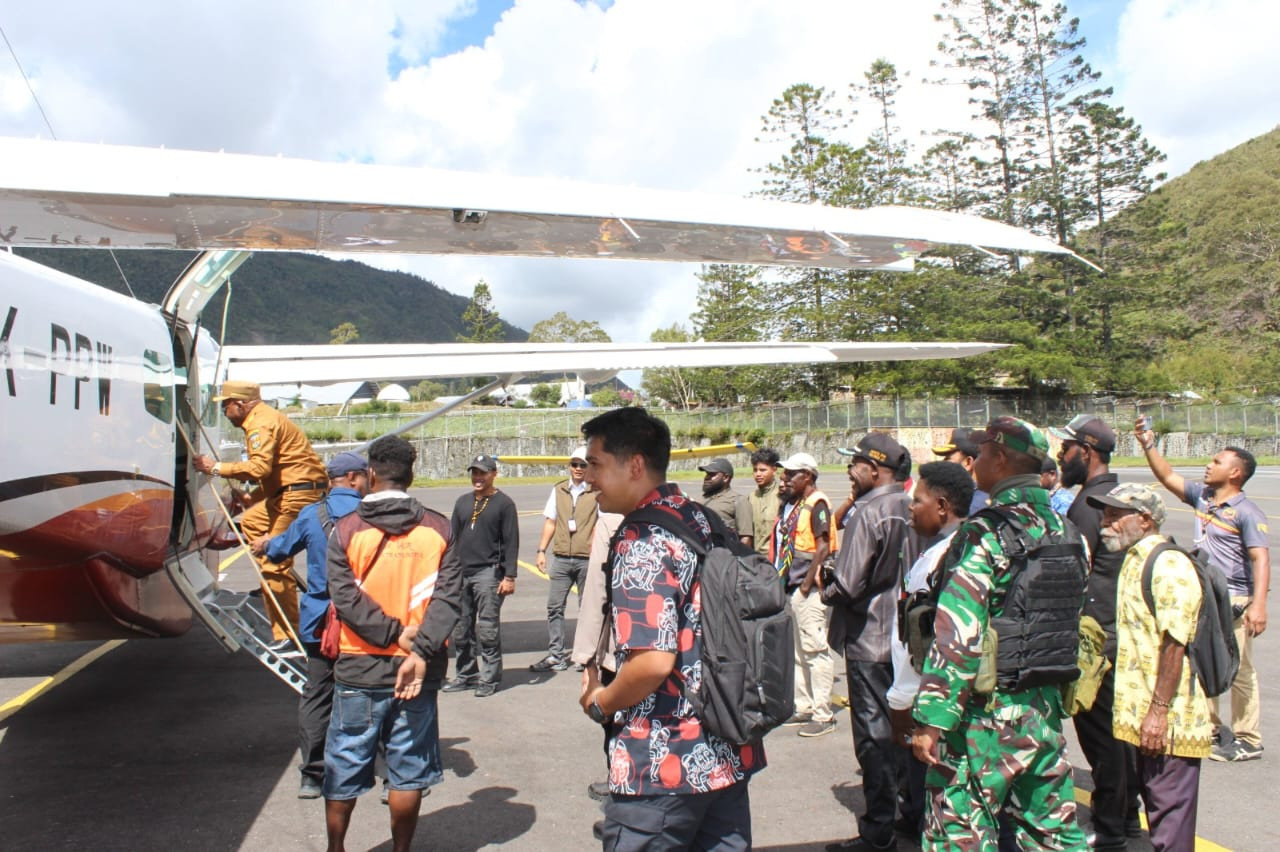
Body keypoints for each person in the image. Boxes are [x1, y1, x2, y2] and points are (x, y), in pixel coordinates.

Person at [578, 407, 763, 850]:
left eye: (596, 464)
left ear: (635, 466)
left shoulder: (642, 540)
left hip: (663, 762)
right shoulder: (699, 518)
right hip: (726, 749)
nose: (587, 477)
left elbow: (652, 664)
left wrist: (600, 703)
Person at [911, 417, 1088, 851]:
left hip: (982, 719)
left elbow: (958, 636)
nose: (977, 462)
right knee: (1053, 836)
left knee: (960, 835)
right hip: (1043, 713)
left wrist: (933, 719)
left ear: (1002, 458)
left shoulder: (983, 533)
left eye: (984, 452)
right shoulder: (1069, 533)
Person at [322, 436, 457, 852]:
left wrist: (390, 634)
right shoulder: (438, 529)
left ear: (372, 475)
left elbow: (345, 600)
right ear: (411, 474)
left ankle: (336, 847)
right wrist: (416, 648)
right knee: (408, 767)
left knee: (345, 761)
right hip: (419, 668)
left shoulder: (345, 530)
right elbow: (449, 599)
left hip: (360, 664)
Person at [1135, 419, 1271, 762]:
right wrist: (1148, 444)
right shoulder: (1205, 499)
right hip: (1205, 594)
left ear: (1236, 473)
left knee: (1237, 668)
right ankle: (1209, 727)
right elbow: (1168, 477)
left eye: (1217, 462)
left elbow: (1260, 558)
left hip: (1234, 598)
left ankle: (1247, 737)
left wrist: (1258, 605)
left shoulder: (1246, 512)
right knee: (1203, 661)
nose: (1209, 466)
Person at [1087, 483, 1212, 852]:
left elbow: (1176, 642)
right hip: (1141, 719)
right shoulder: (1134, 559)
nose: (1104, 524)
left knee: (1170, 826)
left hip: (1168, 723)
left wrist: (1158, 712)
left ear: (1144, 520)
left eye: (1114, 516)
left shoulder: (1167, 563)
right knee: (1159, 818)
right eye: (1104, 515)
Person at [823, 432, 923, 852]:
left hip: (869, 639)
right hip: (907, 642)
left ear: (875, 469)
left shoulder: (870, 512)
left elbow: (846, 584)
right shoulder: (914, 506)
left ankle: (878, 830)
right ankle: (910, 816)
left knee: (874, 739)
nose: (850, 469)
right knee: (907, 734)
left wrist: (827, 577)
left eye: (855, 462)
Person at [252, 451, 369, 800]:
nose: (366, 481)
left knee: (317, 695)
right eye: (363, 476)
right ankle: (376, 768)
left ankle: (312, 775)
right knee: (372, 693)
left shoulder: (310, 514)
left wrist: (266, 544)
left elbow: (278, 551)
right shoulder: (368, 514)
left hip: (320, 621)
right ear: (351, 478)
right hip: (363, 620)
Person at [1051, 413, 1140, 846]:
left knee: (1101, 737)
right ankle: (1125, 817)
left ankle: (1110, 830)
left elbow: (1074, 574)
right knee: (1121, 735)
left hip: (1095, 637)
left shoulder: (1089, 507)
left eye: (1066, 449)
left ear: (1085, 453)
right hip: (1120, 630)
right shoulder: (1119, 498)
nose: (1061, 456)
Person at [194, 380, 329, 650]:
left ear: (240, 404)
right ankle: (274, 583)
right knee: (253, 522)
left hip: (297, 495)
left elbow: (259, 468)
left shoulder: (260, 423)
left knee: (273, 563)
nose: (224, 411)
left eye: (226, 405)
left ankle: (290, 634)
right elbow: (281, 471)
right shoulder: (263, 418)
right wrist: (252, 498)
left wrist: (215, 468)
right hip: (290, 491)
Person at [887, 462, 974, 844]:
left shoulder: (938, 562)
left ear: (941, 506)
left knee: (939, 818)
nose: (910, 506)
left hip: (928, 707)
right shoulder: (967, 546)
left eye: (917, 500)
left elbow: (921, 644)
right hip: (954, 704)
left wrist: (900, 706)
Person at [441, 454, 519, 698]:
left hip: (488, 573)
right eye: (474, 472)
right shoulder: (462, 502)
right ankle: (466, 674)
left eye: (483, 472)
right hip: (461, 573)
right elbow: (452, 538)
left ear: (493, 474)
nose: (478, 477)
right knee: (461, 628)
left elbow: (511, 542)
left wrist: (509, 576)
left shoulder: (504, 504)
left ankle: (489, 678)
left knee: (487, 629)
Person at [772, 452, 836, 738]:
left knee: (814, 650)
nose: (786, 478)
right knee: (797, 652)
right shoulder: (796, 505)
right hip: (793, 583)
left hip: (806, 587)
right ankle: (804, 705)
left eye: (792, 474)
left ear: (808, 476)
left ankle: (823, 713)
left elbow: (823, 547)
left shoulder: (817, 503)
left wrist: (807, 585)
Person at [570, 509, 625, 809]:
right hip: (675, 653)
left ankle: (620, 782)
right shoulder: (688, 511)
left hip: (620, 652)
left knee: (613, 718)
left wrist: (587, 661)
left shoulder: (611, 522)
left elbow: (595, 595)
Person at [530, 447, 599, 673]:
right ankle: (555, 655)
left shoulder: (597, 491)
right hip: (561, 557)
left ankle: (585, 656)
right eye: (574, 464)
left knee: (587, 609)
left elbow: (603, 521)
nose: (578, 469)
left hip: (587, 559)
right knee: (554, 607)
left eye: (582, 465)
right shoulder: (559, 489)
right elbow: (551, 521)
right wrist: (541, 550)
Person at [698, 457, 754, 548]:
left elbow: (746, 538)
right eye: (707, 474)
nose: (707, 477)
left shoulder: (738, 500)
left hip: (723, 556)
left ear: (726, 478)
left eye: (712, 474)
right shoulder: (701, 499)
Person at [931, 427, 987, 514]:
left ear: (968, 463)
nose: (943, 463)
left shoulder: (974, 506)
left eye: (948, 459)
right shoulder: (963, 497)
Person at [748, 448, 782, 557]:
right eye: (755, 470)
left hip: (776, 559)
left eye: (763, 470)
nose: (758, 474)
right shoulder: (751, 497)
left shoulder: (783, 496)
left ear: (774, 470)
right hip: (755, 559)